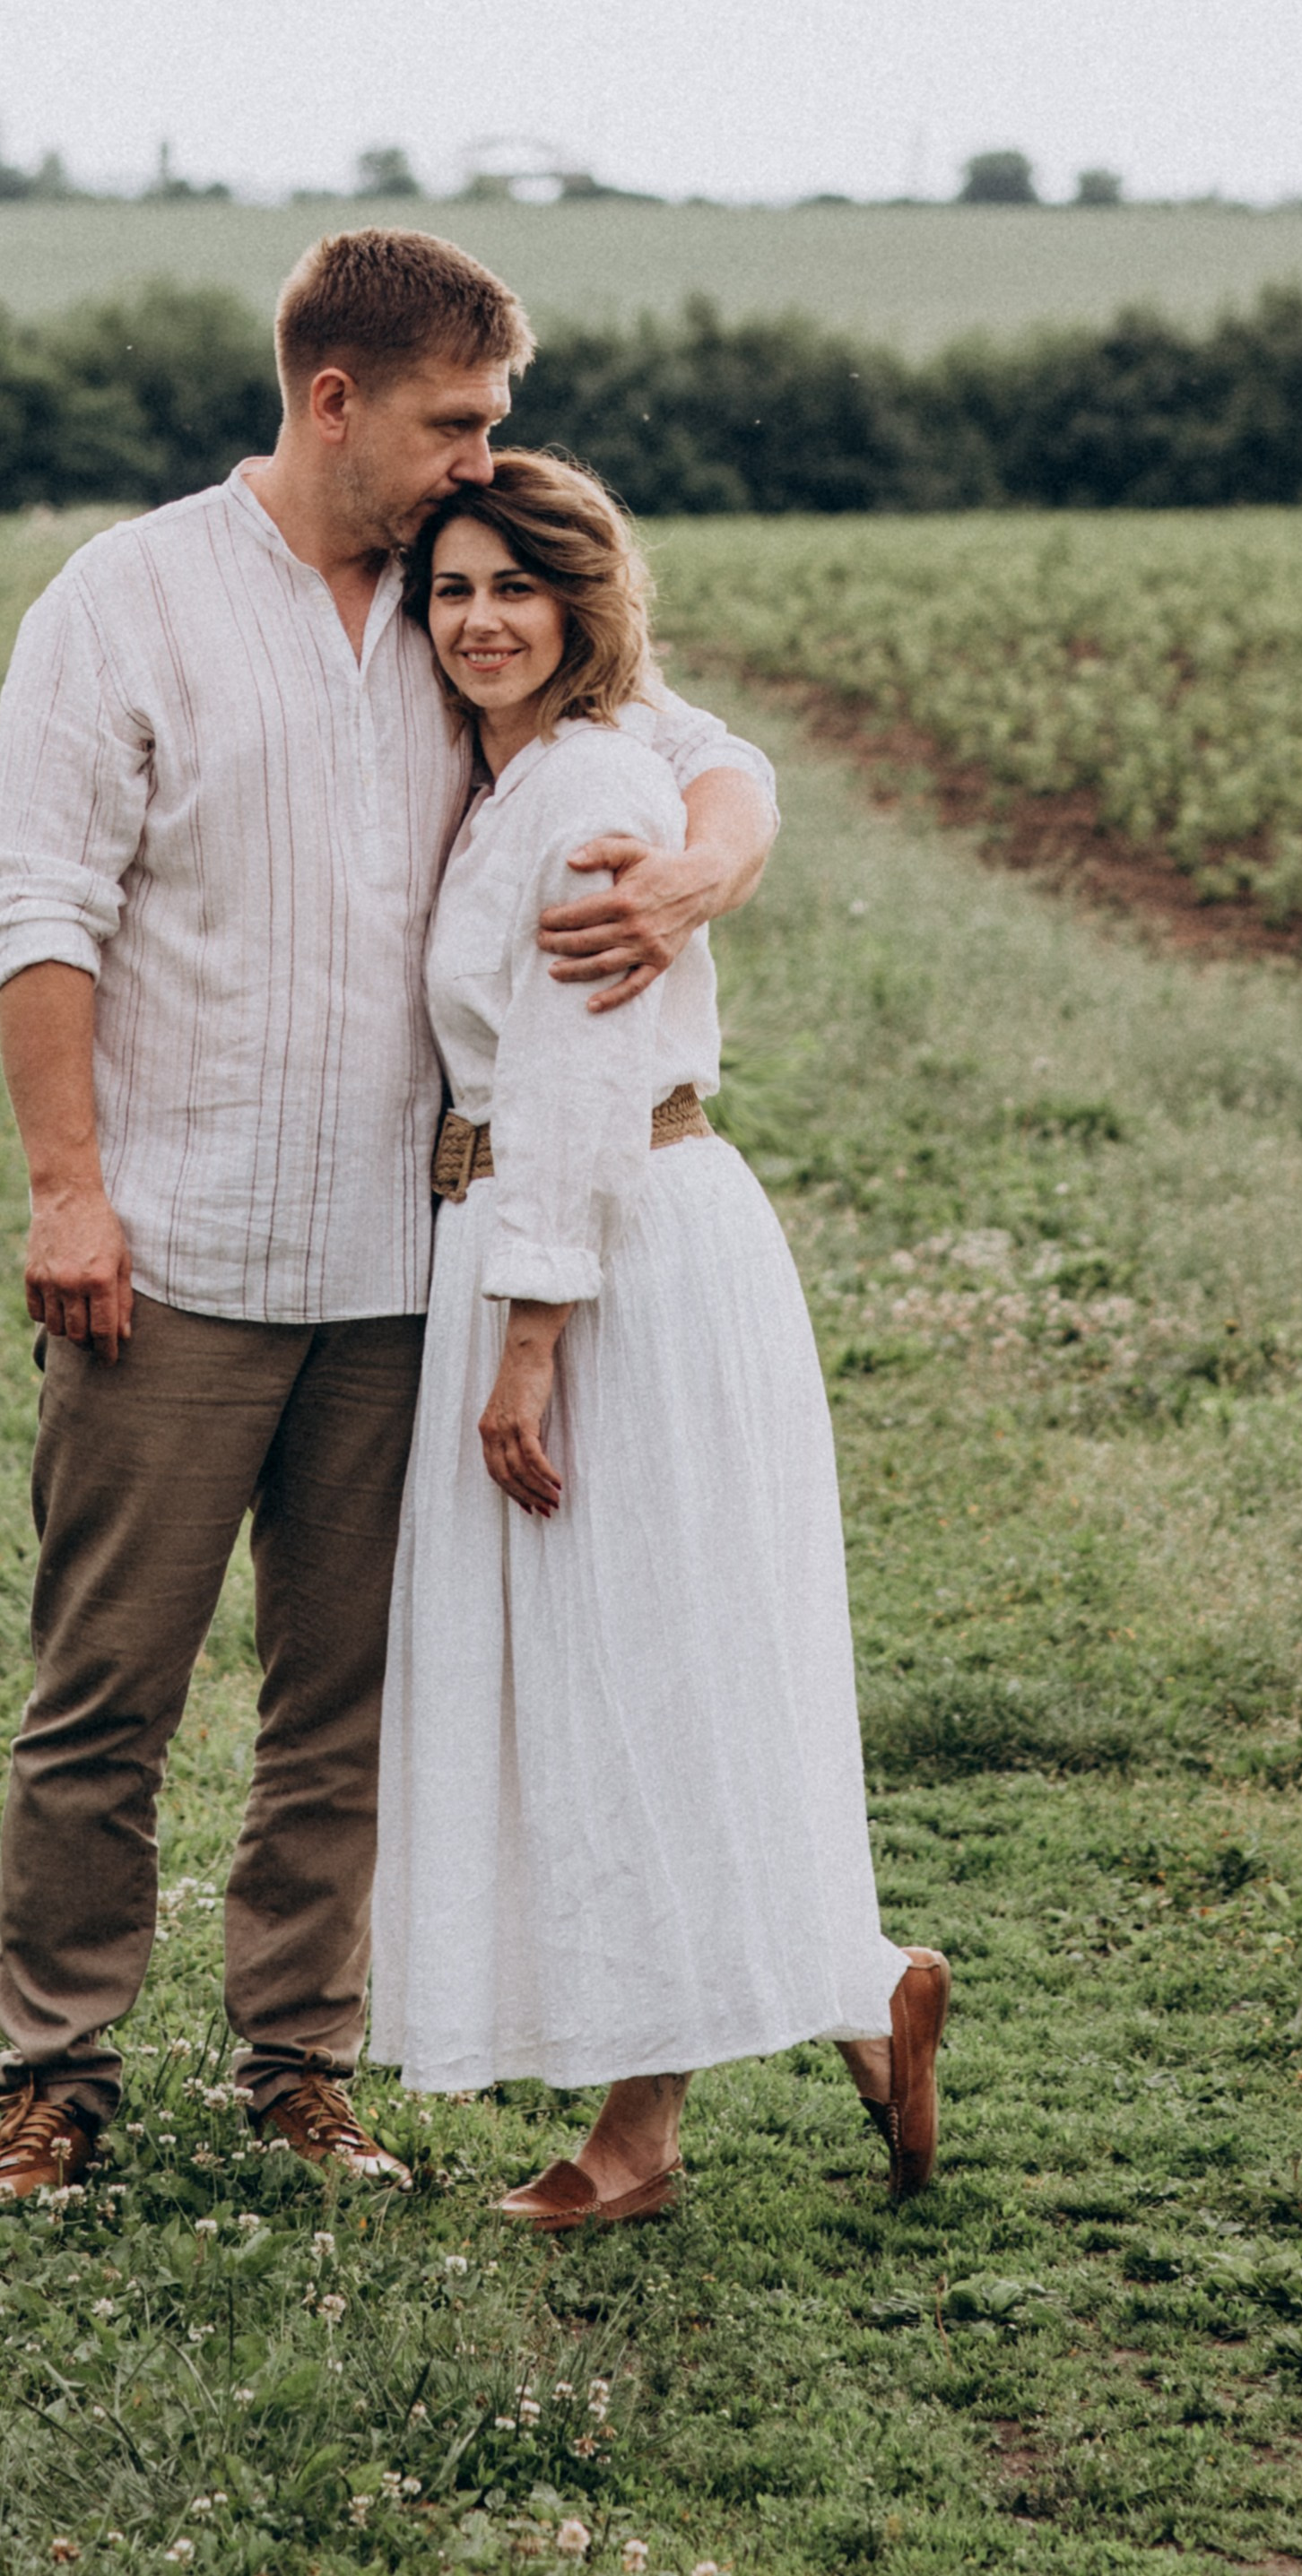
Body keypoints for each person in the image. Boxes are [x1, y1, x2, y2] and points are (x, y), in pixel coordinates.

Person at [0, 230, 781, 2206]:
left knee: (342, 1707)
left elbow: (701, 752)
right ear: (335, 399)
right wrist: (68, 1192)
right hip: (169, 1257)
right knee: (106, 1697)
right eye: (455, 418)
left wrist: (695, 879)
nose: (480, 452)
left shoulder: (456, 599)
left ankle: (294, 2066)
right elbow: (39, 910)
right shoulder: (125, 599)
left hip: (398, 1272)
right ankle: (56, 2076)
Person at [370, 450, 949, 2225]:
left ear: (577, 603)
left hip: (607, 1244)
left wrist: (529, 1337)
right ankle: (852, 1994)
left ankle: (638, 2137)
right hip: (547, 1224)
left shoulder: (593, 789)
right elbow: (733, 760)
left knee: (625, 1663)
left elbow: (575, 1073)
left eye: (510, 590)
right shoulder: (516, 760)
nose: (475, 621)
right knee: (633, 1656)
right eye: (449, 590)